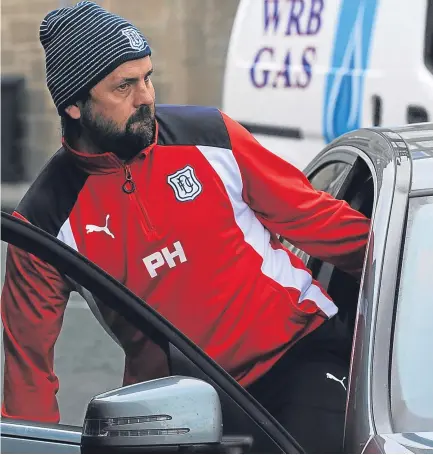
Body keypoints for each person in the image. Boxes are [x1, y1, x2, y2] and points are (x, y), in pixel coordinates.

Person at [1, 1, 370, 452]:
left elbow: (319, 220)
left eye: (147, 77)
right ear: (75, 105)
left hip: (298, 354)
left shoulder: (211, 134)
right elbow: (29, 370)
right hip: (175, 407)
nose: (146, 98)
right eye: (124, 87)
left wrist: (412, 275)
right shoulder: (42, 220)